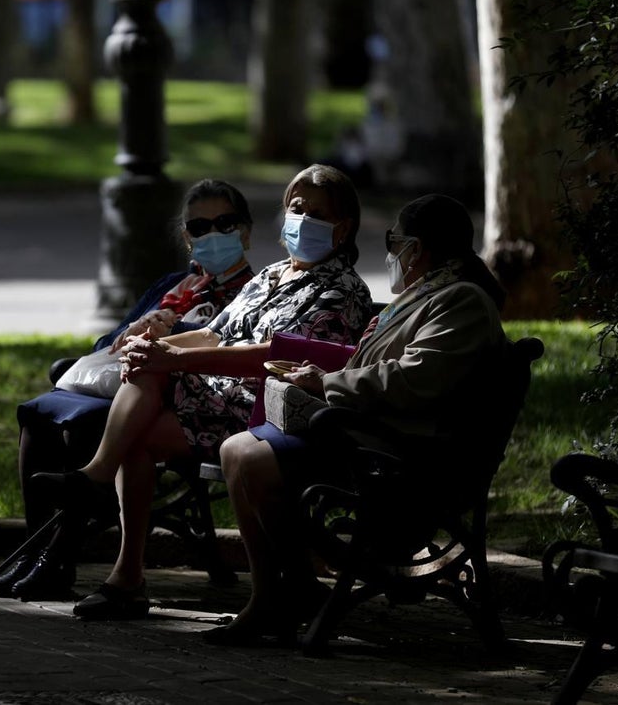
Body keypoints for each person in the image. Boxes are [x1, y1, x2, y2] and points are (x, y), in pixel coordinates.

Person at [32, 164, 376, 620]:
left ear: (343, 226)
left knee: (152, 380)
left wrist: (171, 360)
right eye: (296, 208)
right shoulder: (272, 276)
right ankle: (125, 572)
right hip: (215, 401)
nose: (303, 219)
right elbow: (214, 333)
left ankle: (100, 489)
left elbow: (275, 358)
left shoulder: (343, 288)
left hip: (264, 410)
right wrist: (154, 345)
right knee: (142, 407)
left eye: (317, 212)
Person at [209, 193, 508, 646]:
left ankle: (280, 593)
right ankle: (280, 590)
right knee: (236, 448)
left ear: (418, 249)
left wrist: (328, 383)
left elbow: (413, 378)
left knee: (250, 459)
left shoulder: (461, 301)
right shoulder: (428, 294)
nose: (391, 253)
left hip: (402, 452)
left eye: (395, 242)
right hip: (369, 434)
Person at [0, 179, 259, 602]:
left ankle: (56, 560)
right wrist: (134, 330)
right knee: (37, 415)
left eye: (224, 222)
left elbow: (225, 345)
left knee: (85, 427)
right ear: (187, 238)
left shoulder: (252, 291)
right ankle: (34, 551)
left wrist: (171, 333)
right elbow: (105, 345)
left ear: (244, 230)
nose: (213, 233)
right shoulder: (173, 284)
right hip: (121, 382)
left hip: (172, 392)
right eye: (200, 227)